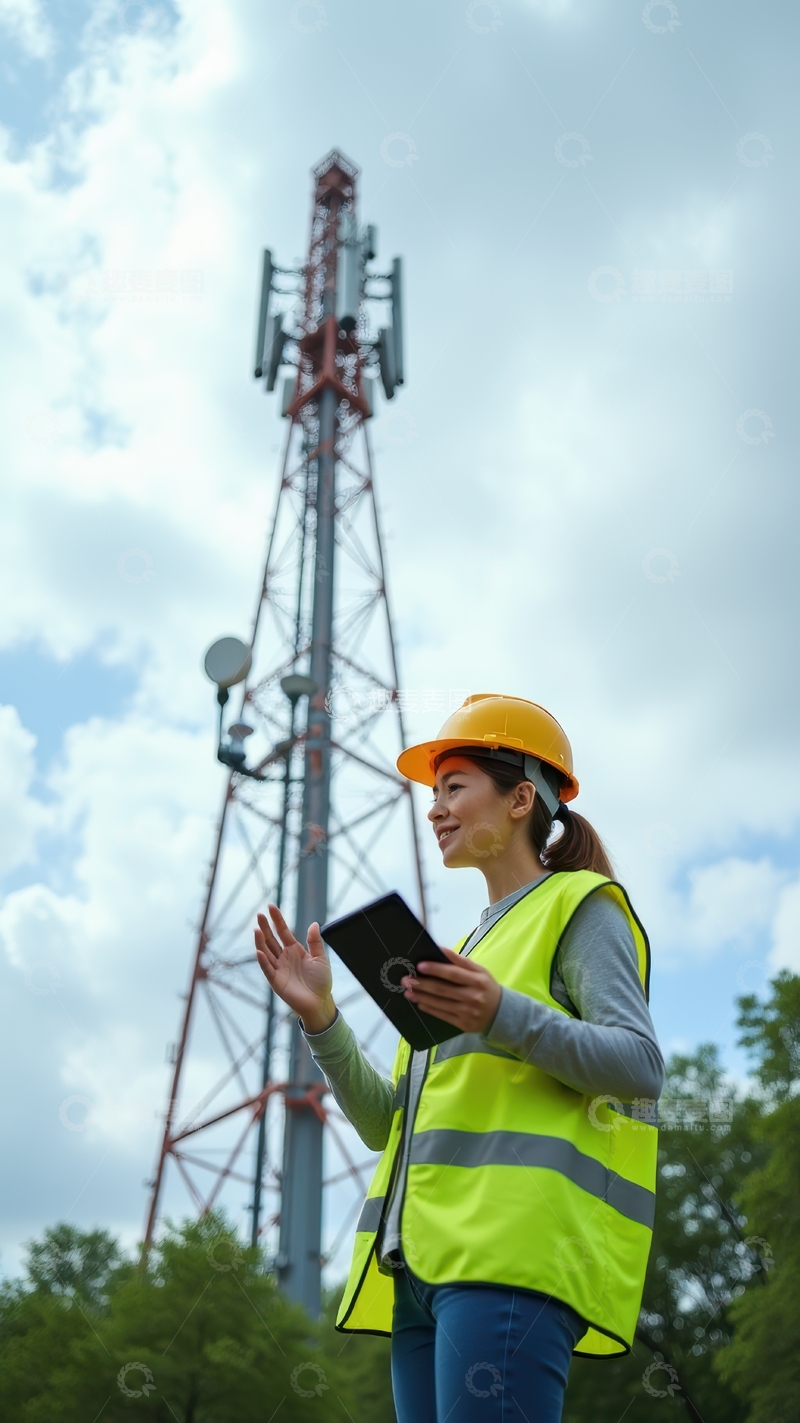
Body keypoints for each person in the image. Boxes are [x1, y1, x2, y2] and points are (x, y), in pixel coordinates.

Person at [255, 693, 664, 1423]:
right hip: (418, 1269)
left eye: (454, 786)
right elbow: (389, 1125)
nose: (435, 807)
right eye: (432, 792)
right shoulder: (464, 952)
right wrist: (322, 1017)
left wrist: (500, 1012)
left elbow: (638, 1067)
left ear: (520, 798)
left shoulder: (580, 904)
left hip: (507, 1257)